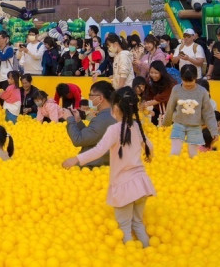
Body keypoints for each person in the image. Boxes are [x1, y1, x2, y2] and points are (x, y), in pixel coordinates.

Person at [62, 88, 155, 248]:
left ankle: (131, 255)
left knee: (124, 228)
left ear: (116, 108)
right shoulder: (136, 126)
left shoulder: (114, 129)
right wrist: (149, 156)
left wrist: (76, 159)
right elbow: (150, 145)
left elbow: (99, 150)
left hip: (124, 186)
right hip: (141, 184)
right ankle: (148, 253)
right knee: (138, 223)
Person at [162, 65, 219, 158]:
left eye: (191, 81)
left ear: (196, 78)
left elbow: (208, 113)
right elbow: (170, 107)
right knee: (175, 152)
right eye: (185, 81)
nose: (188, 84)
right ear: (181, 78)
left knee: (193, 154)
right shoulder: (176, 89)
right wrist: (165, 123)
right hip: (179, 123)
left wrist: (214, 131)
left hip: (195, 126)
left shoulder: (202, 92)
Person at [64, 81, 117, 168]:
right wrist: (78, 121)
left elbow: (78, 140)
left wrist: (69, 118)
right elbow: (92, 134)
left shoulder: (102, 119)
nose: (90, 99)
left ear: (100, 98)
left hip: (95, 165)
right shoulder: (113, 114)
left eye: (91, 95)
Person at [144, 61, 175, 125]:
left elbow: (161, 97)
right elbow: (147, 94)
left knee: (168, 130)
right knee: (154, 128)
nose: (153, 75)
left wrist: (146, 104)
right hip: (157, 108)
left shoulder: (170, 83)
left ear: (162, 73)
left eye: (156, 73)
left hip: (169, 110)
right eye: (151, 72)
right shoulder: (149, 80)